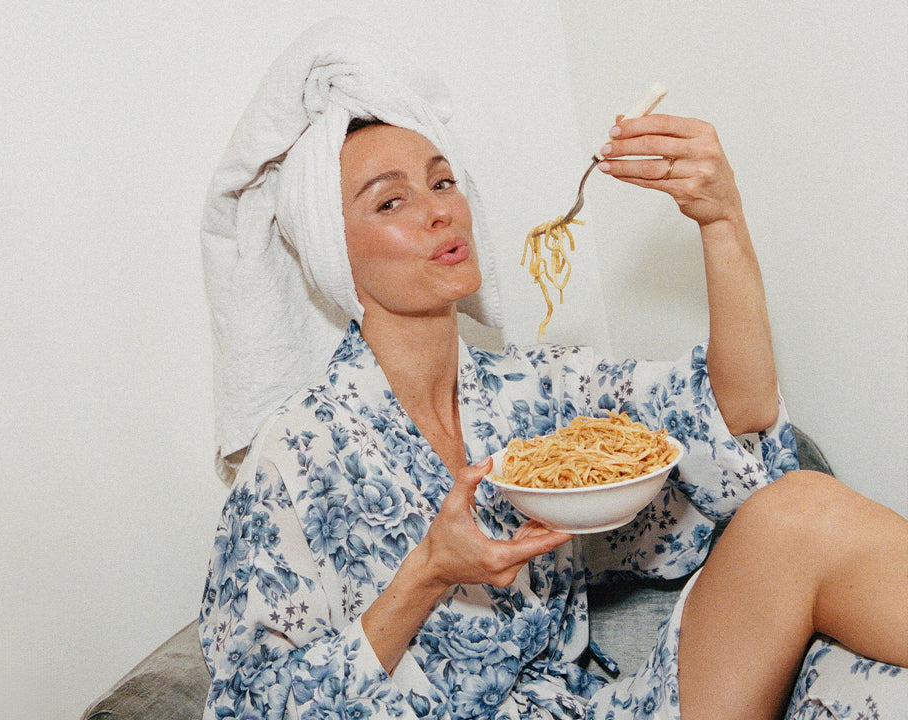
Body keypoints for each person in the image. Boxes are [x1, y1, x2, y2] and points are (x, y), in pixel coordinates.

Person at [197, 19, 907, 720]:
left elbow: (736, 415)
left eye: (443, 182)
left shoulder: (532, 399)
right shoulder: (291, 458)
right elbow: (249, 705)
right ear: (334, 252)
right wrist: (427, 573)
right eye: (392, 200)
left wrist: (721, 222)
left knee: (800, 513)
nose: (439, 212)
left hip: (591, 710)